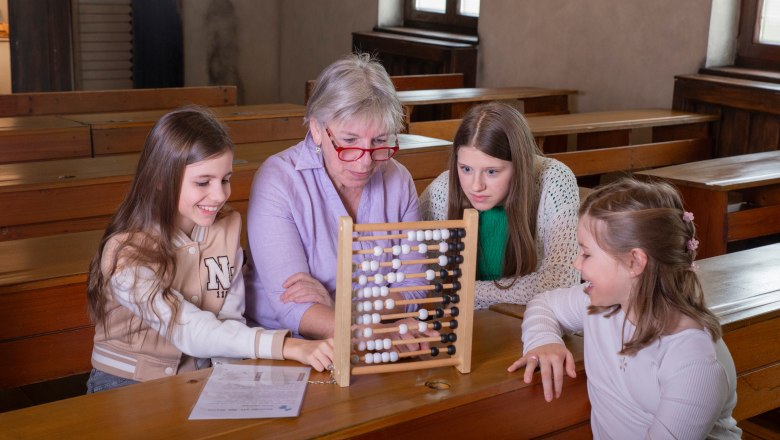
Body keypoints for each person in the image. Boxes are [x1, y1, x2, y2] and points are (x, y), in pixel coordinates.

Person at [86, 106, 333, 394]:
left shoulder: (226, 226)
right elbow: (187, 330)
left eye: (225, 180)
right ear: (161, 180)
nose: (219, 196)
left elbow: (230, 319)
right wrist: (288, 346)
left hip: (199, 375)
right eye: (203, 182)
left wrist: (236, 388)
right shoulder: (126, 251)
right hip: (125, 382)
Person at [508, 178, 741, 439]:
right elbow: (544, 304)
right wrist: (543, 340)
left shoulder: (694, 362)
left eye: (586, 253)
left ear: (634, 262)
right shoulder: (602, 303)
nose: (576, 263)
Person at [244, 53, 432, 343]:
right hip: (287, 349)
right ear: (317, 129)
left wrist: (343, 305)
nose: (364, 163)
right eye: (349, 141)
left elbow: (415, 288)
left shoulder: (399, 179)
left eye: (380, 141)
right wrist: (379, 330)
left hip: (379, 344)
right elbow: (295, 308)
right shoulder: (278, 180)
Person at [419, 101, 580, 309]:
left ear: (519, 165)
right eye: (466, 169)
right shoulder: (442, 191)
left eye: (492, 171)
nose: (476, 186)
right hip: (462, 322)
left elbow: (561, 282)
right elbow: (430, 284)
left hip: (530, 319)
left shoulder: (554, 180)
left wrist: (465, 290)